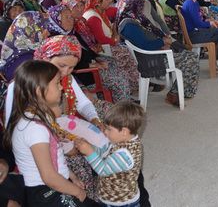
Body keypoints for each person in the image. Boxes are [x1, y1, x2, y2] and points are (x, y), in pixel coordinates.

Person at [5, 61, 90, 206]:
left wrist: (73, 177)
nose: (62, 87)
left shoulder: (36, 118)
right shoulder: (35, 129)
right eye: (57, 83)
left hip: (54, 184)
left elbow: (54, 158)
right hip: (44, 193)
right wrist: (78, 192)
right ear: (40, 91)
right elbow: (49, 176)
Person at [117, 0, 199, 107]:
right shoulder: (128, 25)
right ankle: (175, 94)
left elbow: (147, 40)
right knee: (191, 59)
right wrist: (162, 42)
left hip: (153, 54)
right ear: (134, 5)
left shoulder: (134, 19)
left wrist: (161, 43)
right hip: (149, 60)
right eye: (140, 4)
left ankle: (179, 92)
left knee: (190, 56)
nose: (142, 7)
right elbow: (144, 46)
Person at [74, 101, 145, 207]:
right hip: (110, 196)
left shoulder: (126, 155)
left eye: (108, 129)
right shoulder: (123, 141)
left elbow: (102, 170)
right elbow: (105, 153)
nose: (105, 132)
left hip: (120, 203)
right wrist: (91, 148)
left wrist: (89, 152)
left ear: (124, 132)